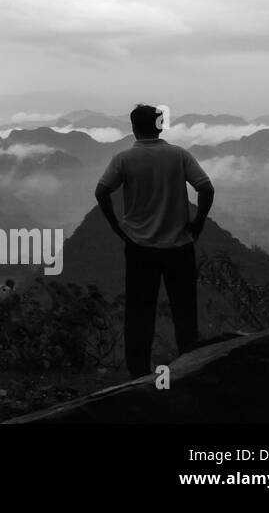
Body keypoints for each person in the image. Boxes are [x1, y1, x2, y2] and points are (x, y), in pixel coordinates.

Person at [94, 103, 215, 377]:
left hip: (139, 249)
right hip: (179, 248)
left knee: (139, 313)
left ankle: (138, 376)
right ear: (159, 125)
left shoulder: (123, 159)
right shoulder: (179, 155)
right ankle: (191, 371)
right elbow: (206, 188)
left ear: (134, 127)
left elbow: (101, 191)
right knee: (184, 312)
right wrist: (198, 223)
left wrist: (117, 226)